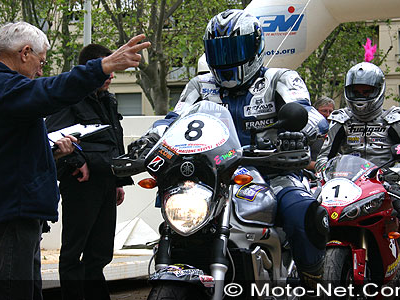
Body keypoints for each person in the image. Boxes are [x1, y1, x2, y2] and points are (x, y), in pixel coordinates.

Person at [128, 9, 329, 296]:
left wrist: (298, 133)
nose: (226, 57)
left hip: (273, 171)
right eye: (219, 50)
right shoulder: (201, 85)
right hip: (214, 176)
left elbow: (310, 114)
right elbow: (175, 119)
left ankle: (313, 280)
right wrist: (150, 137)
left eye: (235, 48)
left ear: (256, 46)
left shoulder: (280, 78)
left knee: (303, 212)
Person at [0, 21, 150, 300]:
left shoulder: (2, 89)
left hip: (19, 210)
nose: (41, 70)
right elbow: (50, 91)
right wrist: (102, 66)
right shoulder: (3, 87)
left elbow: (14, 152)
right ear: (25, 53)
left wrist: (55, 151)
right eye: (41, 62)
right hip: (12, 211)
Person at [315, 62, 400, 289]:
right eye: (356, 91)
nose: (361, 96)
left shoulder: (395, 119)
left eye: (367, 91)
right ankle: (306, 268)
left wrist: (391, 173)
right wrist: (325, 173)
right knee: (307, 214)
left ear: (379, 91)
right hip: (347, 186)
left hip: (386, 183)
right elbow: (324, 157)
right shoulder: (340, 120)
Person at [45, 44, 134, 300]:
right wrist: (76, 160)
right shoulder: (68, 96)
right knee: (74, 251)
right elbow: (55, 137)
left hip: (106, 182)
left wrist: (119, 180)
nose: (112, 76)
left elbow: (115, 141)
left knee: (101, 252)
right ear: (91, 69)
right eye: (107, 70)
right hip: (80, 183)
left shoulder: (107, 99)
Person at [308, 96, 335, 170]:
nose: (328, 115)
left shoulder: (336, 131)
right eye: (324, 111)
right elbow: (302, 162)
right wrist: (324, 167)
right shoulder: (308, 131)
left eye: (331, 112)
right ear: (315, 112)